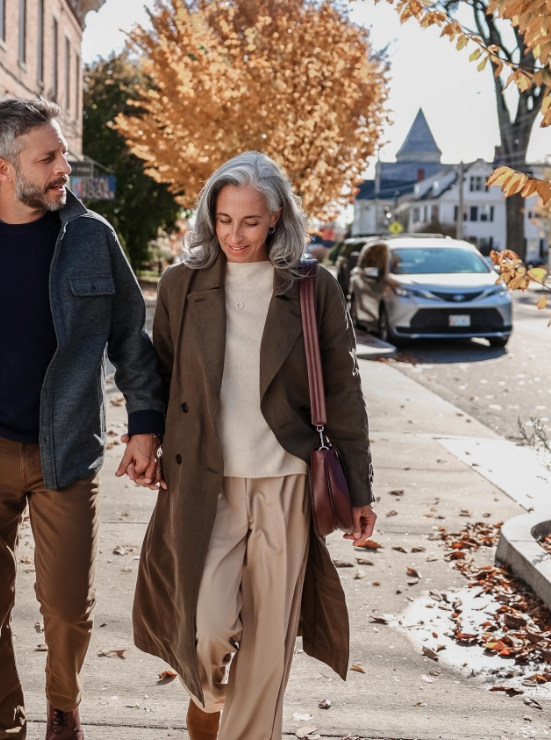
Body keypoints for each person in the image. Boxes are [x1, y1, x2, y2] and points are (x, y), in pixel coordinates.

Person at [0, 98, 166, 740]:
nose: (64, 167)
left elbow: (130, 339)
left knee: (68, 609)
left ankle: (62, 705)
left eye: (63, 154)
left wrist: (144, 425)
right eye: (47, 157)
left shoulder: (92, 238)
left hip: (67, 451)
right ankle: (2, 725)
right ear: (3, 167)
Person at [130, 152, 377, 740]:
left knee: (268, 645)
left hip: (287, 482)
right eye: (223, 220)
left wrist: (361, 488)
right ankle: (209, 701)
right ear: (209, 218)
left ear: (276, 220)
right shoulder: (181, 284)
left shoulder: (313, 288)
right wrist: (145, 438)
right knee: (206, 629)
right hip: (205, 483)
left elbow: (343, 390)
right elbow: (157, 374)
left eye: (249, 221)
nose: (234, 235)